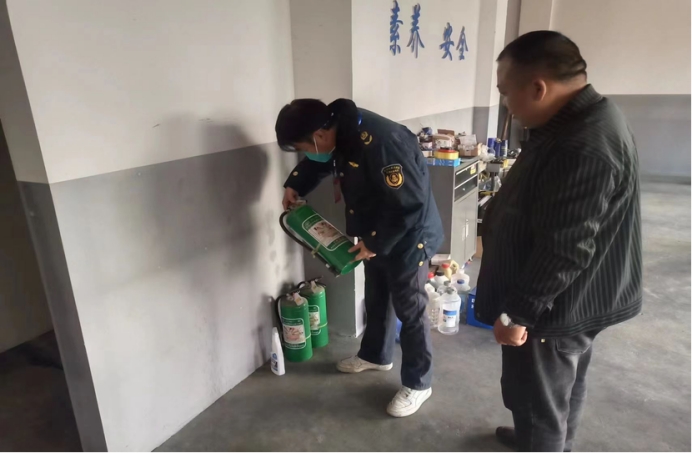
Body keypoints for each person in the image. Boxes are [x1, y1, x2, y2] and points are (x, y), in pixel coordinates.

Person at [475, 31, 642, 451]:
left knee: (538, 398)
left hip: (555, 304)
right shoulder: (582, 119)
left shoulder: (581, 144)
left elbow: (565, 247)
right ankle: (549, 439)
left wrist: (518, 313)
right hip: (578, 293)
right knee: (562, 384)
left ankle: (542, 440)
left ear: (538, 88)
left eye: (505, 93)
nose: (507, 106)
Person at [276, 98, 443, 417]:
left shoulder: (383, 144)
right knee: (377, 295)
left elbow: (410, 205)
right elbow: (320, 161)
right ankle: (376, 356)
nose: (308, 152)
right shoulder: (338, 131)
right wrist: (295, 185)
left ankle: (419, 383)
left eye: (305, 146)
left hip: (410, 235)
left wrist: (375, 242)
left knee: (410, 309)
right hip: (376, 231)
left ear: (319, 134)